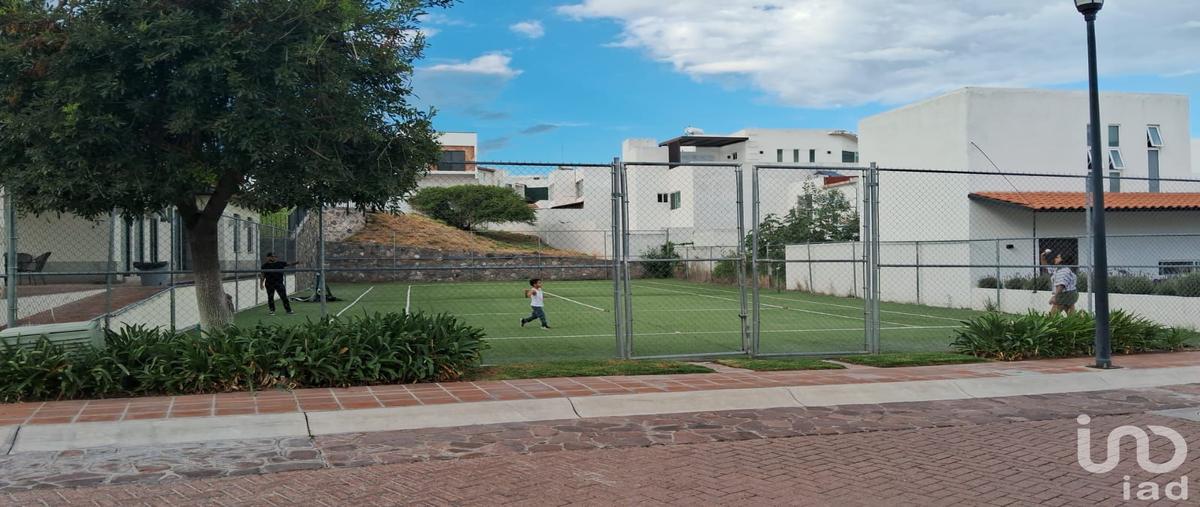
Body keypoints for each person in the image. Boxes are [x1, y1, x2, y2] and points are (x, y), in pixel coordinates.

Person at [1041, 249, 1079, 315]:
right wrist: (1042, 258)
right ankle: (1081, 322)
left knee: (1051, 318)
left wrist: (1055, 297)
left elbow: (1061, 285)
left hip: (1064, 295)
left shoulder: (1063, 271)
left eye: (1058, 257)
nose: (1055, 258)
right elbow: (1046, 268)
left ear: (1063, 260)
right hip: (1071, 294)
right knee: (1072, 317)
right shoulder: (1059, 269)